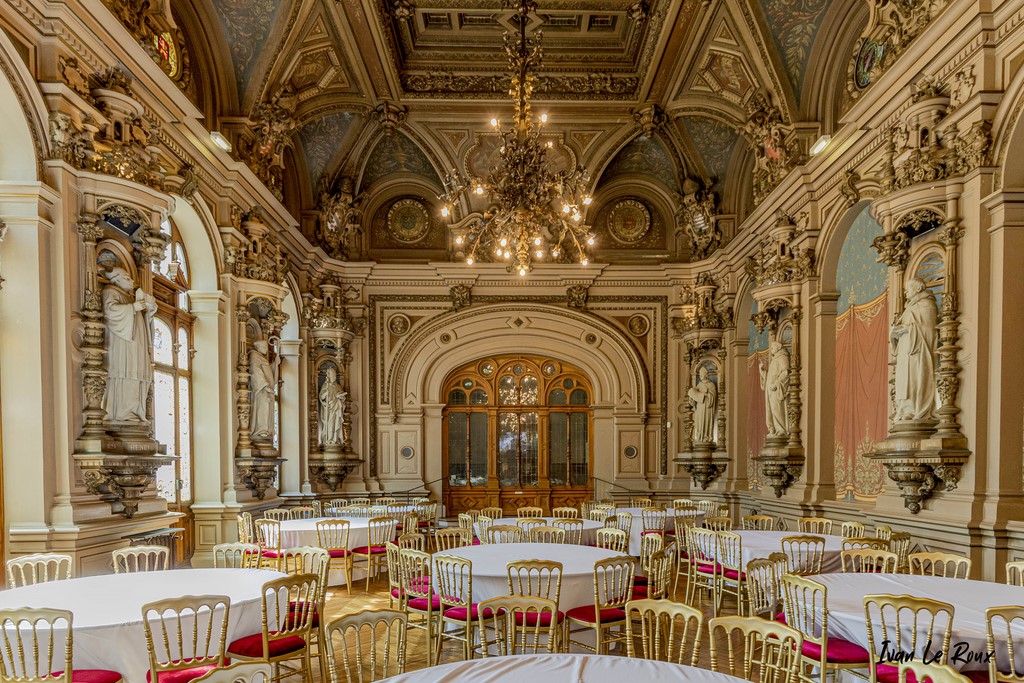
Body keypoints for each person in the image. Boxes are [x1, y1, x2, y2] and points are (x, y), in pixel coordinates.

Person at [102, 267, 156, 423]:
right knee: (125, 373)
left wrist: (149, 310)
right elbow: (110, 311)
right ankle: (122, 413)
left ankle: (136, 411)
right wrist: (133, 307)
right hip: (121, 345)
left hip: (137, 344)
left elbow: (143, 319)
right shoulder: (110, 291)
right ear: (117, 279)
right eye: (127, 278)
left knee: (137, 374)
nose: (132, 281)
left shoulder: (130, 296)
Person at [892, 277, 938, 421]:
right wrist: (895, 333)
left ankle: (915, 409)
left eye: (908, 289)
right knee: (903, 380)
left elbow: (928, 330)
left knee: (914, 379)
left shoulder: (927, 305)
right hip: (905, 351)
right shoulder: (909, 309)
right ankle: (905, 409)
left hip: (918, 350)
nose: (905, 293)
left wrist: (907, 330)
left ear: (918, 289)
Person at [759, 341, 789, 437]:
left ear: (778, 347)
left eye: (773, 347)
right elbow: (770, 376)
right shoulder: (775, 359)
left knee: (777, 409)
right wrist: (762, 371)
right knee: (770, 409)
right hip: (770, 389)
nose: (771, 349)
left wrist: (776, 384)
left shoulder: (782, 357)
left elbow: (786, 372)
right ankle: (772, 428)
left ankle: (781, 429)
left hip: (776, 389)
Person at [249, 340, 276, 441]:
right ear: (259, 347)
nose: (266, 349)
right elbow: (255, 371)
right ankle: (261, 429)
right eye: (264, 346)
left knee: (266, 408)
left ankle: (265, 429)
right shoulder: (254, 356)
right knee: (262, 408)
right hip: (261, 389)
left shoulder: (262, 358)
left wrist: (275, 364)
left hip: (267, 389)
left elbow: (268, 371)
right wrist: (264, 385)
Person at [688, 365, 718, 444]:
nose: (701, 376)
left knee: (706, 421)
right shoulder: (699, 385)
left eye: (702, 374)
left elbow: (713, 395)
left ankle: (706, 436)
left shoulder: (711, 384)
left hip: (707, 407)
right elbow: (694, 398)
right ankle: (699, 437)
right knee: (699, 422)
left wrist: (707, 394)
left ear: (706, 374)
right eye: (700, 374)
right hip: (699, 408)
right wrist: (692, 398)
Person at [319, 366, 346, 445]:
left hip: (337, 407)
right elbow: (321, 397)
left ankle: (335, 439)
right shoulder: (325, 385)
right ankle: (328, 439)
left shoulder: (338, 386)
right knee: (329, 424)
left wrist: (341, 397)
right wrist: (325, 394)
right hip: (329, 408)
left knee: (336, 424)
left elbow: (343, 397)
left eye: (334, 375)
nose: (334, 376)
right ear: (329, 376)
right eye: (332, 375)